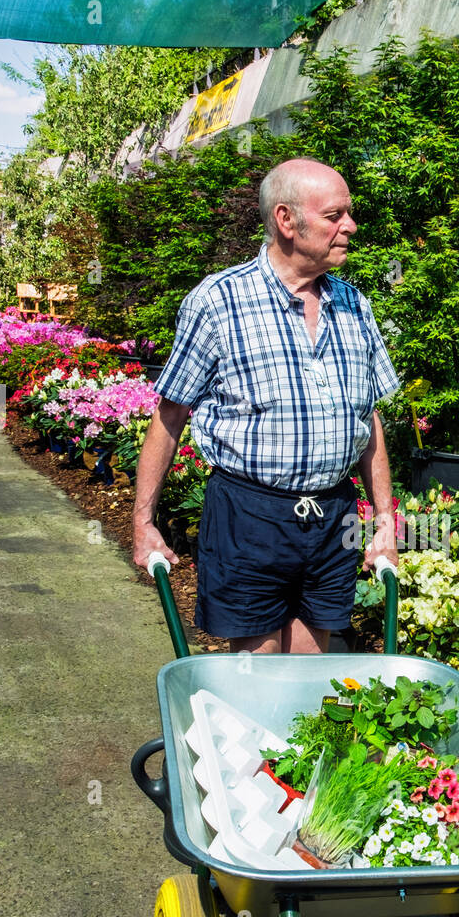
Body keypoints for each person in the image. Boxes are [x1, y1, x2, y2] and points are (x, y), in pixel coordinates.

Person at [132, 157, 401, 654]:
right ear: (286, 220)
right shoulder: (218, 301)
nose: (350, 226)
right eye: (335, 215)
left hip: (333, 513)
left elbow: (369, 419)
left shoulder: (353, 304)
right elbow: (170, 417)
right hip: (248, 514)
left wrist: (385, 518)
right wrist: (144, 522)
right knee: (258, 671)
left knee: (311, 667)